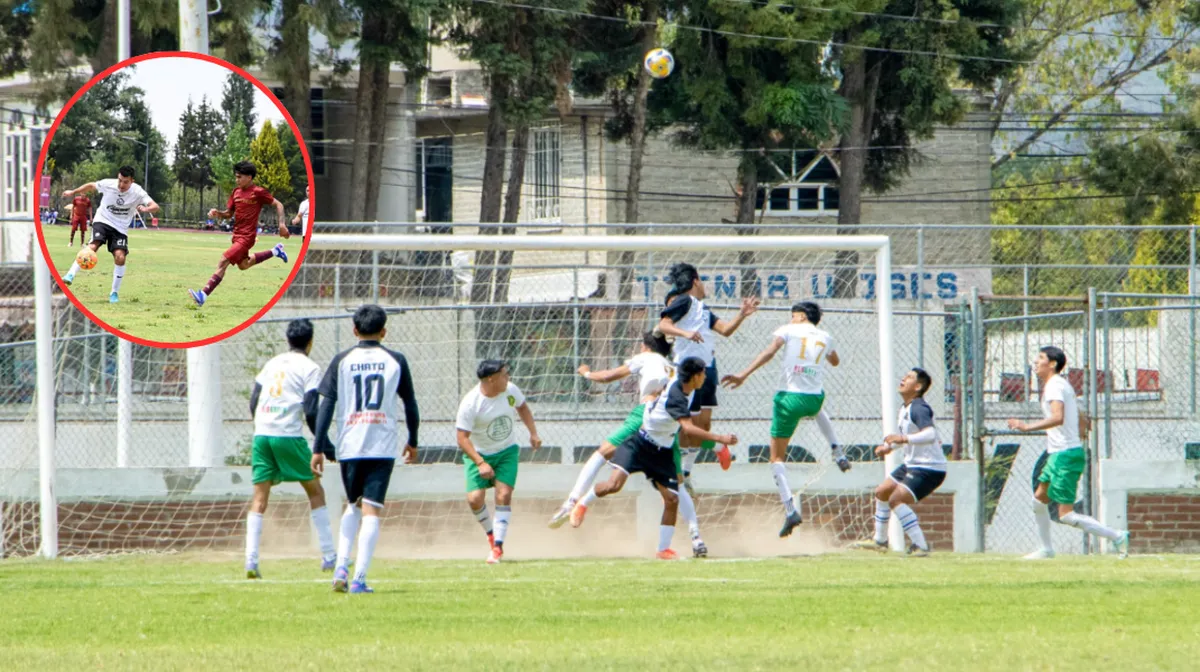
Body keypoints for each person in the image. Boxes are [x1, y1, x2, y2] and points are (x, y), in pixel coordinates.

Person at [550, 331, 721, 557]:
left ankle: (572, 502)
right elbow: (686, 422)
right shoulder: (673, 370)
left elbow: (608, 376)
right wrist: (717, 443)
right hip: (665, 430)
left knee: (603, 452)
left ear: (645, 347)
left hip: (649, 420)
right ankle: (695, 538)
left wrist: (586, 373)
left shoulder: (647, 358)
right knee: (677, 487)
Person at [574, 357, 738, 559]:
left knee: (672, 498)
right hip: (640, 444)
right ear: (695, 377)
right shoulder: (677, 397)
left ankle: (663, 549)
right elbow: (688, 429)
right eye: (703, 373)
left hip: (663, 451)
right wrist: (720, 438)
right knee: (613, 485)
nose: (705, 377)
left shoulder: (685, 383)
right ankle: (583, 503)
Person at [311, 305, 420, 593]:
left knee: (353, 505)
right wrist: (413, 440)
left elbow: (326, 404)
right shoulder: (396, 360)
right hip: (381, 445)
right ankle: (359, 578)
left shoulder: (342, 360)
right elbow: (410, 403)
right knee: (371, 510)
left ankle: (340, 567)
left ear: (354, 330)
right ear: (384, 331)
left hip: (350, 444)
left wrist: (318, 447)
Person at [721, 301, 847, 538]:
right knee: (817, 408)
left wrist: (743, 374)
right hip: (814, 399)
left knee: (776, 457)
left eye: (793, 316)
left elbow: (769, 352)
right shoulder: (826, 337)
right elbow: (835, 361)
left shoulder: (789, 330)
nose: (791, 319)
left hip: (789, 399)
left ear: (801, 316)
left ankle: (790, 510)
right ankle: (837, 450)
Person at [1008, 346, 1130, 560]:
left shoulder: (1055, 386)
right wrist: (1082, 425)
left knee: (1065, 515)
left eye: (1040, 358)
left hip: (1065, 455)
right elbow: (1077, 411)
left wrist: (1026, 426)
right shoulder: (1059, 384)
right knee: (1039, 500)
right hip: (1058, 454)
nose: (1035, 362)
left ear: (1053, 364)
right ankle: (1046, 549)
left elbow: (1058, 417)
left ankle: (1117, 536)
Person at [244, 319, 336, 578]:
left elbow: (254, 400)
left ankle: (251, 561)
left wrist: (263, 424)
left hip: (262, 434)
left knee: (259, 499)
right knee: (315, 491)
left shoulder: (272, 363)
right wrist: (324, 444)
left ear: (288, 340)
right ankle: (329, 555)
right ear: (311, 341)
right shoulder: (310, 367)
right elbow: (311, 410)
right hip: (287, 435)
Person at [656, 263, 758, 492]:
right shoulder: (685, 300)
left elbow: (726, 330)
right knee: (687, 427)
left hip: (708, 368)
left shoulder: (702, 308)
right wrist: (685, 333)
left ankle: (688, 471)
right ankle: (684, 471)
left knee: (703, 424)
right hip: (687, 369)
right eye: (702, 280)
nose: (704, 285)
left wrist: (742, 314)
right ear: (695, 281)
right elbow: (663, 324)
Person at [456, 360, 543, 564]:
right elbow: (462, 438)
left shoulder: (510, 390)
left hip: (506, 452)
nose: (508, 377)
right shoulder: (470, 403)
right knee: (474, 499)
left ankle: (497, 547)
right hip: (479, 454)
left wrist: (533, 433)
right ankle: (491, 535)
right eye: (504, 374)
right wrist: (480, 463)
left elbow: (523, 408)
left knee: (503, 495)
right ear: (491, 379)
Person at [851, 368, 945, 556]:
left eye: (909, 377)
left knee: (896, 499)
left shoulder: (919, 408)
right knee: (882, 491)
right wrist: (889, 447)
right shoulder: (905, 408)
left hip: (929, 468)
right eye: (904, 376)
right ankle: (880, 540)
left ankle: (921, 545)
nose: (903, 379)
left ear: (918, 387)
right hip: (912, 464)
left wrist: (901, 439)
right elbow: (910, 436)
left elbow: (930, 434)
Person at [189, 161, 289, 307]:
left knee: (223, 261)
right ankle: (276, 251)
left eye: (239, 177)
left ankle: (203, 295)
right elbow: (229, 214)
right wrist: (218, 213)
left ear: (249, 177)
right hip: (236, 236)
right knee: (244, 265)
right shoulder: (236, 192)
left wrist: (282, 224)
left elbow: (279, 204)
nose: (237, 180)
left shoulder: (258, 192)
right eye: (236, 177)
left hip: (247, 237)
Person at [60, 166, 160, 304]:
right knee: (93, 246)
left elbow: (155, 206)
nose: (121, 185)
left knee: (120, 257)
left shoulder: (138, 191)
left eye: (125, 182)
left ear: (132, 181)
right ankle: (70, 274)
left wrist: (146, 208)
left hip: (120, 228)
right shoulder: (108, 184)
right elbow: (91, 185)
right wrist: (73, 192)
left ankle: (114, 293)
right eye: (120, 180)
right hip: (103, 220)